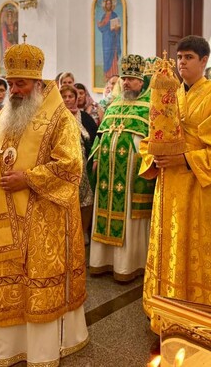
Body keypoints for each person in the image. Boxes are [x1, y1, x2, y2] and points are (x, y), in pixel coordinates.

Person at [0, 40, 88, 366]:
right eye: (11, 83)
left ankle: (41, 349)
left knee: (35, 280)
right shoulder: (3, 116)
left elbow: (71, 167)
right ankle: (6, 346)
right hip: (2, 217)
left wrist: (29, 178)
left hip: (43, 218)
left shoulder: (59, 118)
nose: (14, 90)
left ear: (36, 82)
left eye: (20, 84)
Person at [139, 35, 211, 339]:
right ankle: (167, 310)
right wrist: (155, 158)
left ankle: (201, 316)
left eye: (189, 57)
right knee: (169, 247)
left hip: (199, 191)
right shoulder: (169, 94)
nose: (182, 63)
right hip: (168, 188)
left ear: (204, 61)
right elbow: (151, 136)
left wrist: (183, 158)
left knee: (196, 251)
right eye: (180, 57)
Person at [89, 54, 156, 282]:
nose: (126, 83)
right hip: (107, 175)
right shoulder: (114, 104)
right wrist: (95, 156)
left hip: (133, 177)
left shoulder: (151, 107)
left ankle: (129, 265)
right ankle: (102, 262)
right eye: (124, 79)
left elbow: (156, 139)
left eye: (131, 79)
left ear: (142, 81)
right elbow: (100, 135)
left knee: (129, 219)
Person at [60, 84, 96, 243]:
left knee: (87, 200)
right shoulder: (56, 117)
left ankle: (82, 232)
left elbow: (95, 139)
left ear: (76, 98)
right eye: (64, 97)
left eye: (71, 96)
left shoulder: (85, 117)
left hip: (84, 165)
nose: (67, 100)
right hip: (64, 165)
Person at [97, 0, 122, 80]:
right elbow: (102, 28)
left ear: (112, 5)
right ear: (105, 5)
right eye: (107, 4)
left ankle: (114, 75)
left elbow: (118, 28)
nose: (108, 5)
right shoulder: (104, 16)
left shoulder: (114, 15)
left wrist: (116, 29)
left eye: (110, 4)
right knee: (106, 56)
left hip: (112, 40)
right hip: (105, 40)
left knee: (113, 55)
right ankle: (107, 75)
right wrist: (99, 25)